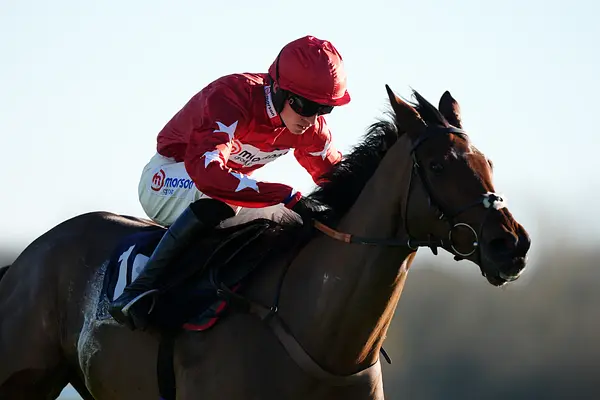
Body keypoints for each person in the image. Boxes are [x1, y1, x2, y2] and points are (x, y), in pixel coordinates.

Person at [108, 35, 351, 330]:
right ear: (278, 88)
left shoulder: (310, 129)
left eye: (323, 109)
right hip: (167, 180)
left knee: (292, 221)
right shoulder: (231, 98)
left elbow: (339, 180)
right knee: (228, 198)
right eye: (305, 106)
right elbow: (208, 174)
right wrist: (286, 194)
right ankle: (138, 290)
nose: (311, 120)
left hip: (223, 190)